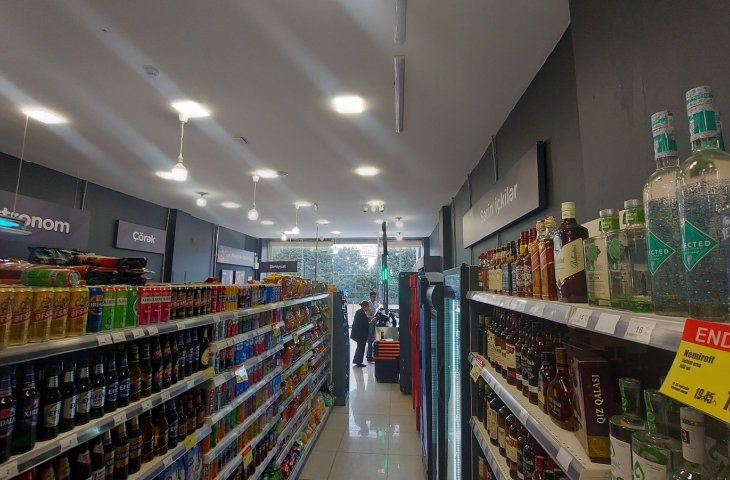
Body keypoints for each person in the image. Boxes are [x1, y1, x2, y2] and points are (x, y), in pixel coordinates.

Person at [350, 301, 371, 367]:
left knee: (359, 347)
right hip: (361, 334)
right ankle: (359, 363)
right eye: (368, 306)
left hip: (358, 333)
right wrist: (372, 320)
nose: (369, 307)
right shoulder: (361, 313)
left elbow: (366, 320)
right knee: (361, 348)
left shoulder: (359, 312)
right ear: (364, 306)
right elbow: (366, 324)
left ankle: (356, 360)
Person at [366, 291, 378, 362]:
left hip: (373, 322)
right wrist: (373, 315)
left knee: (372, 339)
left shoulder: (374, 303)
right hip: (370, 322)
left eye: (375, 297)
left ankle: (370, 355)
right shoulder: (368, 303)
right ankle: (369, 356)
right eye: (373, 297)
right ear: (370, 297)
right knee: (370, 339)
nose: (374, 298)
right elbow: (367, 314)